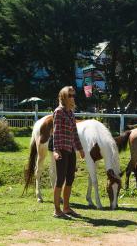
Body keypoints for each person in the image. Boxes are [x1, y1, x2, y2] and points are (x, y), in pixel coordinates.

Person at [52, 86, 85, 219]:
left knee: (70, 178)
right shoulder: (58, 112)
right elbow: (56, 132)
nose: (72, 98)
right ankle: (56, 210)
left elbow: (75, 133)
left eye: (73, 95)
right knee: (60, 179)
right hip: (61, 150)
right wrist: (55, 150)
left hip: (71, 149)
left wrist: (80, 149)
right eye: (70, 95)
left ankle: (66, 208)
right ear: (63, 97)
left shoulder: (71, 113)